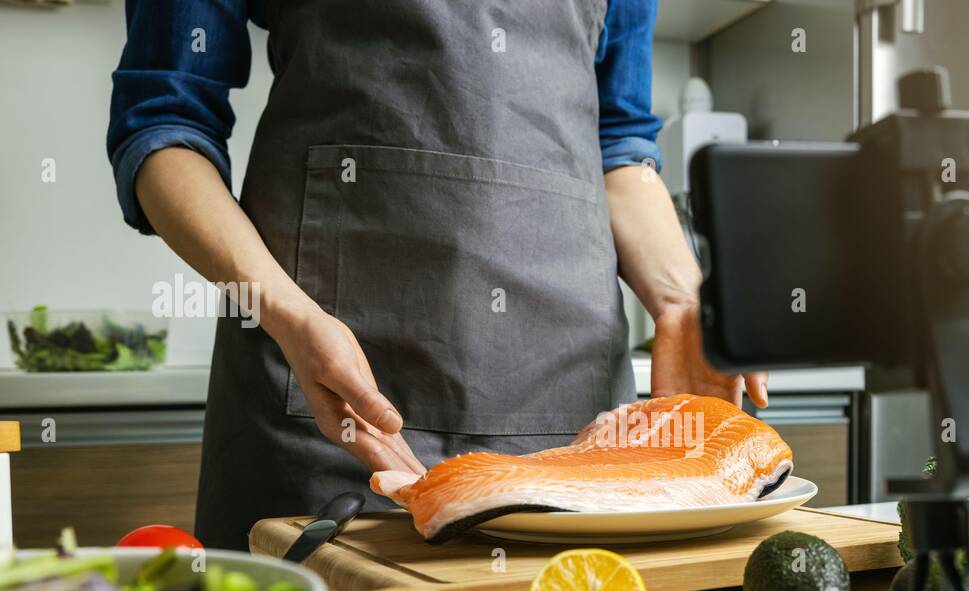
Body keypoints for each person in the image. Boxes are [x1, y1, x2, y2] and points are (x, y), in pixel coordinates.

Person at [107, 0, 767, 550]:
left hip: (571, 400)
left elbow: (620, 145)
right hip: (332, 396)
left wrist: (684, 300)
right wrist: (287, 313)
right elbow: (166, 120)